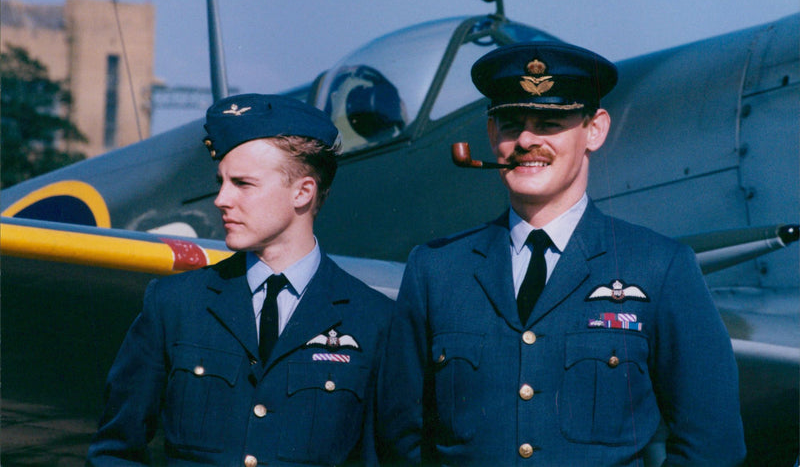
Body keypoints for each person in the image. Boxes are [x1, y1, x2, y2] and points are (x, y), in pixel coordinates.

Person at [377, 42, 746, 466]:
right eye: (512, 123)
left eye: (550, 122)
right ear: (492, 134)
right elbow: (399, 438)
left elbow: (713, 443)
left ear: (595, 130)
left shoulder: (659, 266)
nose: (528, 140)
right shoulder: (436, 270)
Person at [88, 94, 392, 466]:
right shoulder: (174, 304)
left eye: (243, 183)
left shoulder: (375, 322)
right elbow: (115, 451)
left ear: (303, 192)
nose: (220, 199)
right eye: (222, 182)